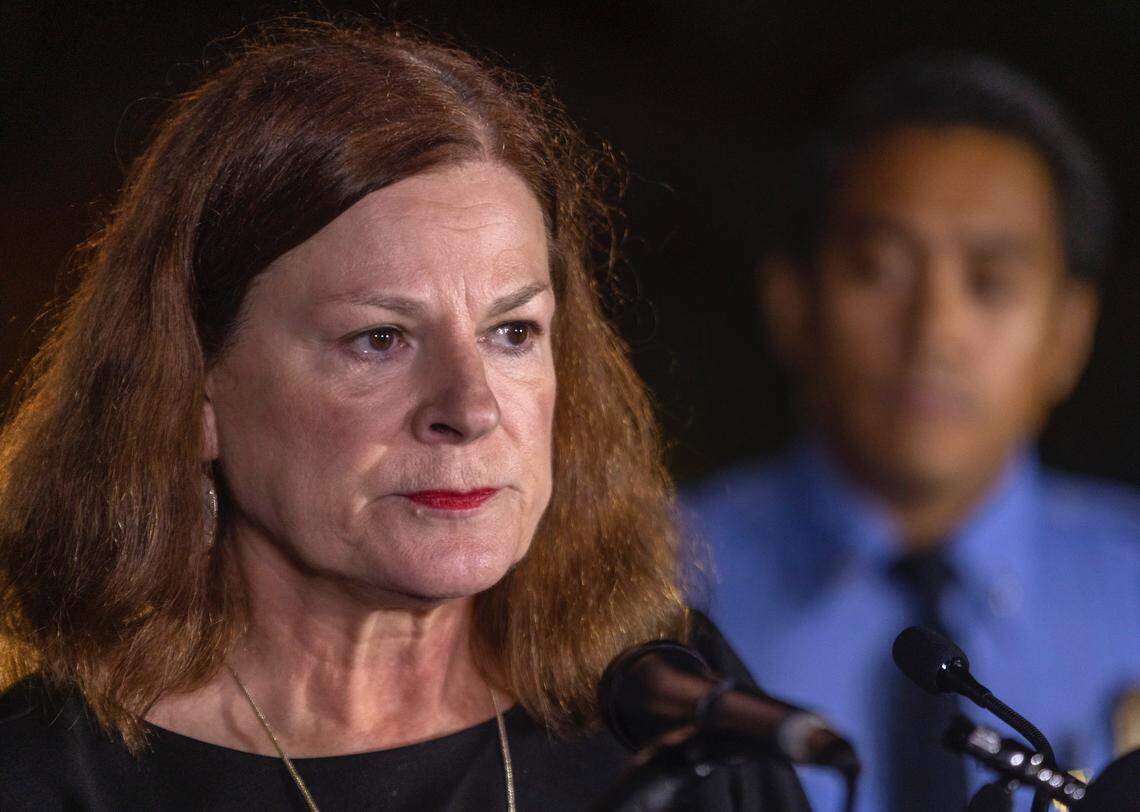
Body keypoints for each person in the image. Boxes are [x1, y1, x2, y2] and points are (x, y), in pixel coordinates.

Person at [0, 20, 808, 811]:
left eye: (512, 332)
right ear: (193, 394)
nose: (471, 408)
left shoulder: (669, 710)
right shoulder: (45, 774)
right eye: (380, 339)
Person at [683, 52, 1140, 812]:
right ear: (792, 303)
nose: (935, 330)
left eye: (990, 282)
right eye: (879, 268)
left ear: (1069, 333)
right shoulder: (654, 588)